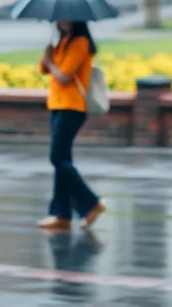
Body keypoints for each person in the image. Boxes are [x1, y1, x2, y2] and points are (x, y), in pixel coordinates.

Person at [38, 20, 106, 231]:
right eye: (59, 18)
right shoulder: (62, 42)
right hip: (57, 106)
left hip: (73, 107)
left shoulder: (81, 43)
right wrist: (48, 53)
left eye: (66, 17)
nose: (61, 21)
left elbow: (64, 76)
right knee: (62, 160)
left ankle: (91, 203)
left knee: (57, 157)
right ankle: (62, 215)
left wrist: (50, 62)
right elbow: (43, 69)